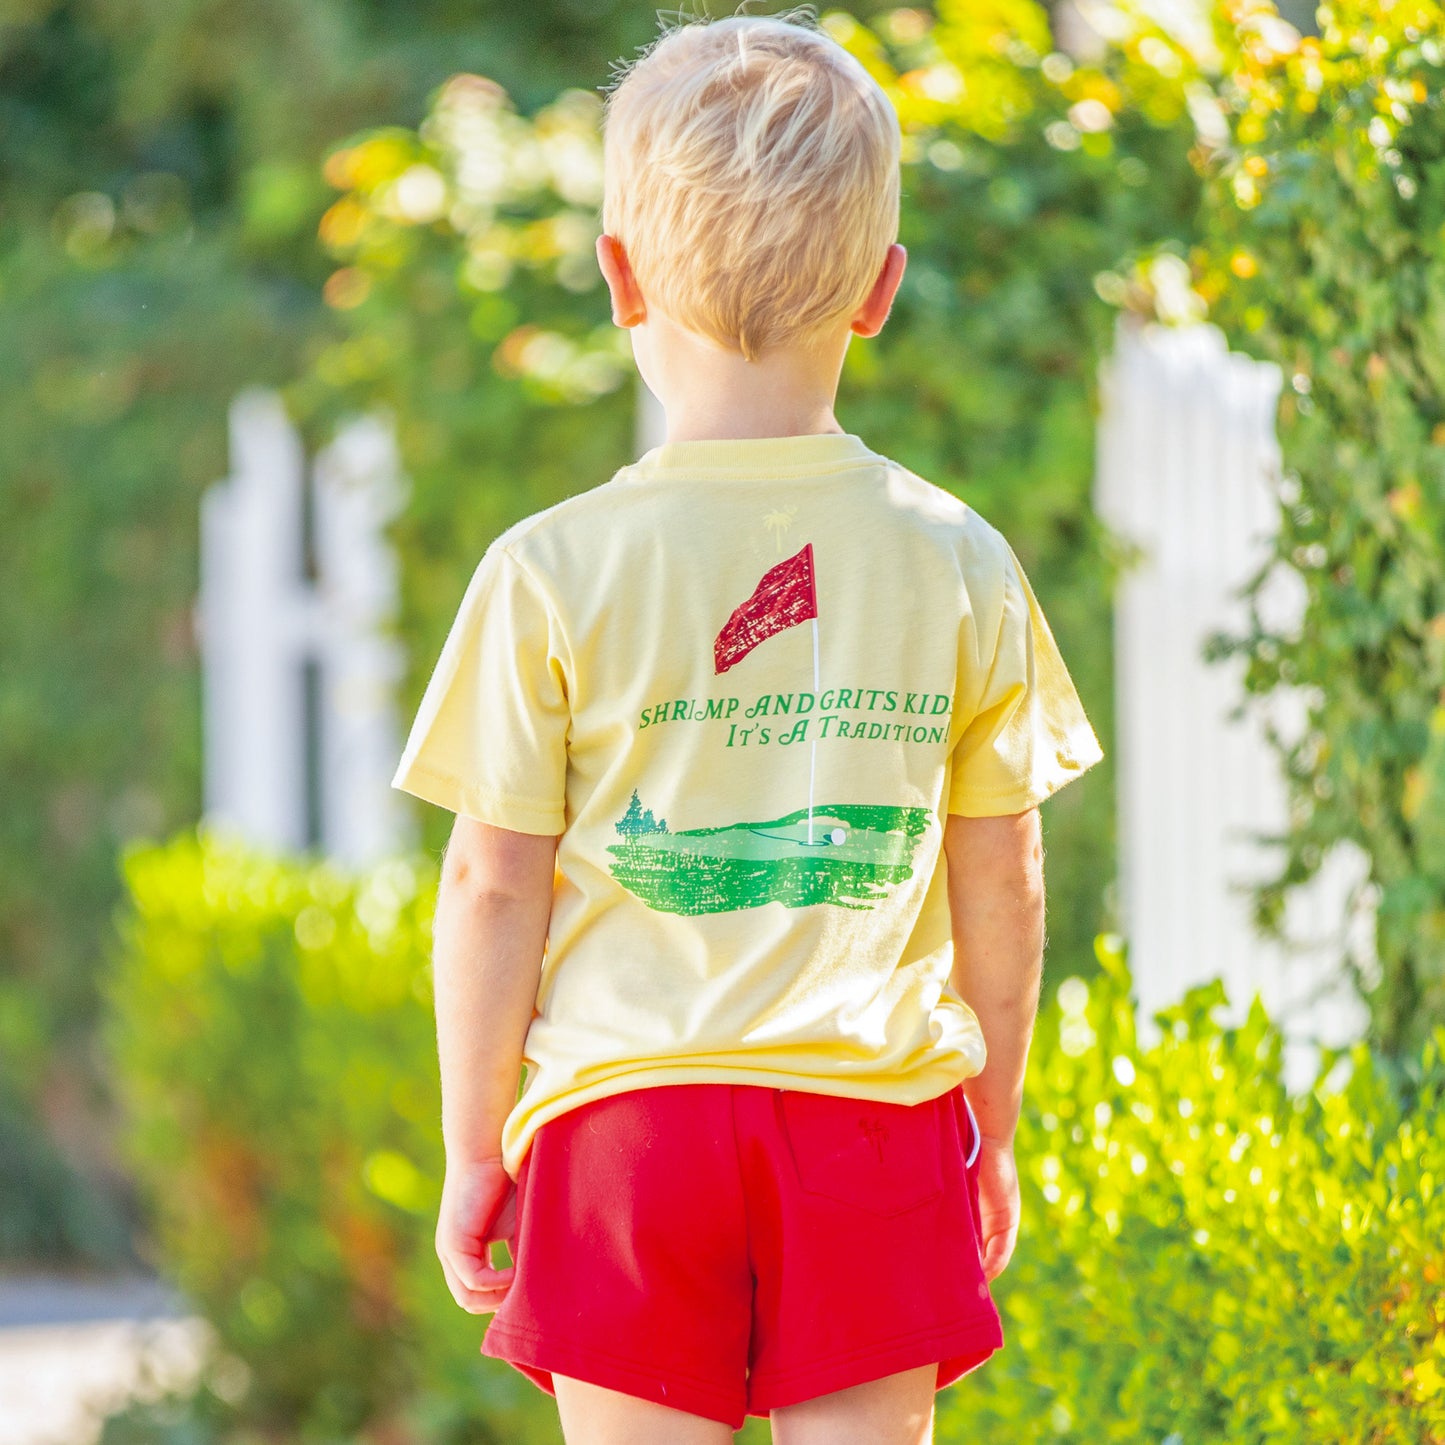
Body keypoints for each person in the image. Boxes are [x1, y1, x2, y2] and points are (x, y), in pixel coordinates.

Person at [391, 10, 1105, 1443]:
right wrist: (997, 1126)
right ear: (881, 289)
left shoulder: (548, 568)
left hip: (622, 1129)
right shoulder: (954, 555)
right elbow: (1003, 877)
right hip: (872, 1116)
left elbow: (488, 884)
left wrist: (479, 1143)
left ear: (616, 278)